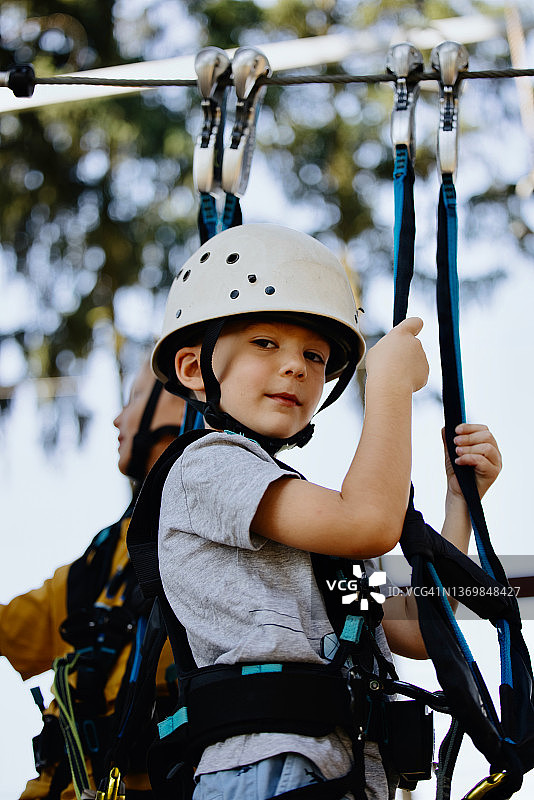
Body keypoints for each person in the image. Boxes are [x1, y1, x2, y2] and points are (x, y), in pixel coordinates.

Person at [147, 223, 502, 800]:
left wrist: (458, 505)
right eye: (266, 343)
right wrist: (387, 386)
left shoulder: (301, 514)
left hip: (334, 771)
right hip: (265, 765)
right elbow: (368, 522)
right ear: (194, 369)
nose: (296, 367)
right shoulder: (207, 467)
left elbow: (411, 628)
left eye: (315, 355)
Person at [0, 360, 195, 799]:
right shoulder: (103, 558)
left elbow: (389, 621)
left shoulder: (269, 519)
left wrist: (390, 547)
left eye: (134, 398)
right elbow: (7, 628)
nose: (116, 418)